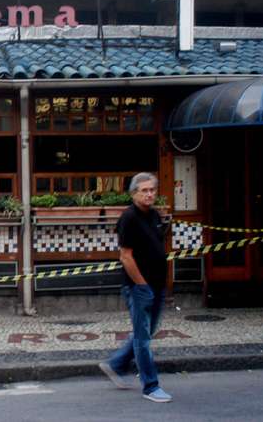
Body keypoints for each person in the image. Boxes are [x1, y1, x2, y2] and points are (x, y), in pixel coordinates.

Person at [99, 172, 172, 403]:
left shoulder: (154, 215)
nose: (149, 194)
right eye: (144, 190)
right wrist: (141, 285)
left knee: (146, 333)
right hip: (139, 288)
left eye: (152, 190)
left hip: (157, 285)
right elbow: (126, 257)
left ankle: (116, 364)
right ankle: (150, 386)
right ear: (134, 194)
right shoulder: (129, 218)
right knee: (143, 338)